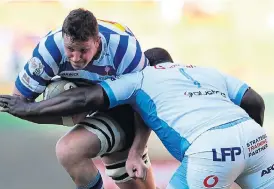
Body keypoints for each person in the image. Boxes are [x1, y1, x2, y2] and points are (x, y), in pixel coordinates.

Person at [2, 47, 273, 189]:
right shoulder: (206, 70)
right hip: (256, 139)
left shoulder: (140, 78)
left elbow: (84, 99)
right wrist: (243, 148)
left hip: (211, 149)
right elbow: (255, 102)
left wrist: (28, 109)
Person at [6, 8, 156, 189]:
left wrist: (137, 151)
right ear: (63, 39)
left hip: (124, 108)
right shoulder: (49, 50)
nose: (76, 57)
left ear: (97, 41)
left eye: (83, 50)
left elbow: (145, 102)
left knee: (133, 180)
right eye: (70, 49)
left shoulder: (125, 50)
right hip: (88, 104)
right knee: (69, 150)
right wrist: (66, 116)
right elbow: (19, 104)